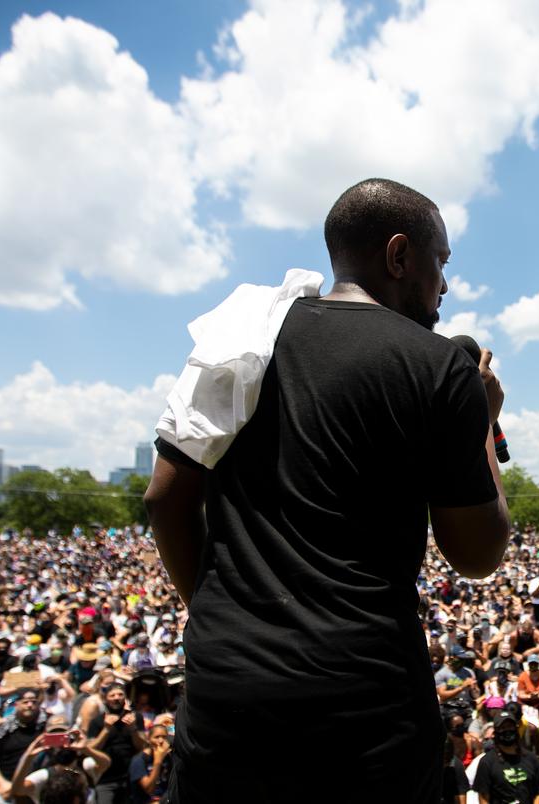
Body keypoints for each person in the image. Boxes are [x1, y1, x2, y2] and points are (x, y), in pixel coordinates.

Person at [144, 178, 510, 802]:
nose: (445, 285)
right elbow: (477, 555)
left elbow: (164, 499)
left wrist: (222, 618)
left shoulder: (246, 339)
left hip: (226, 702)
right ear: (399, 256)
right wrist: (484, 423)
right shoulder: (440, 367)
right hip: (365, 712)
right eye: (440, 262)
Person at [472, 711, 539, 804]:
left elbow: (538, 793)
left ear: (516, 728)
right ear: (495, 732)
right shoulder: (487, 762)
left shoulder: (532, 759)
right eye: (502, 728)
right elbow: (483, 798)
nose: (507, 731)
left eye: (510, 727)